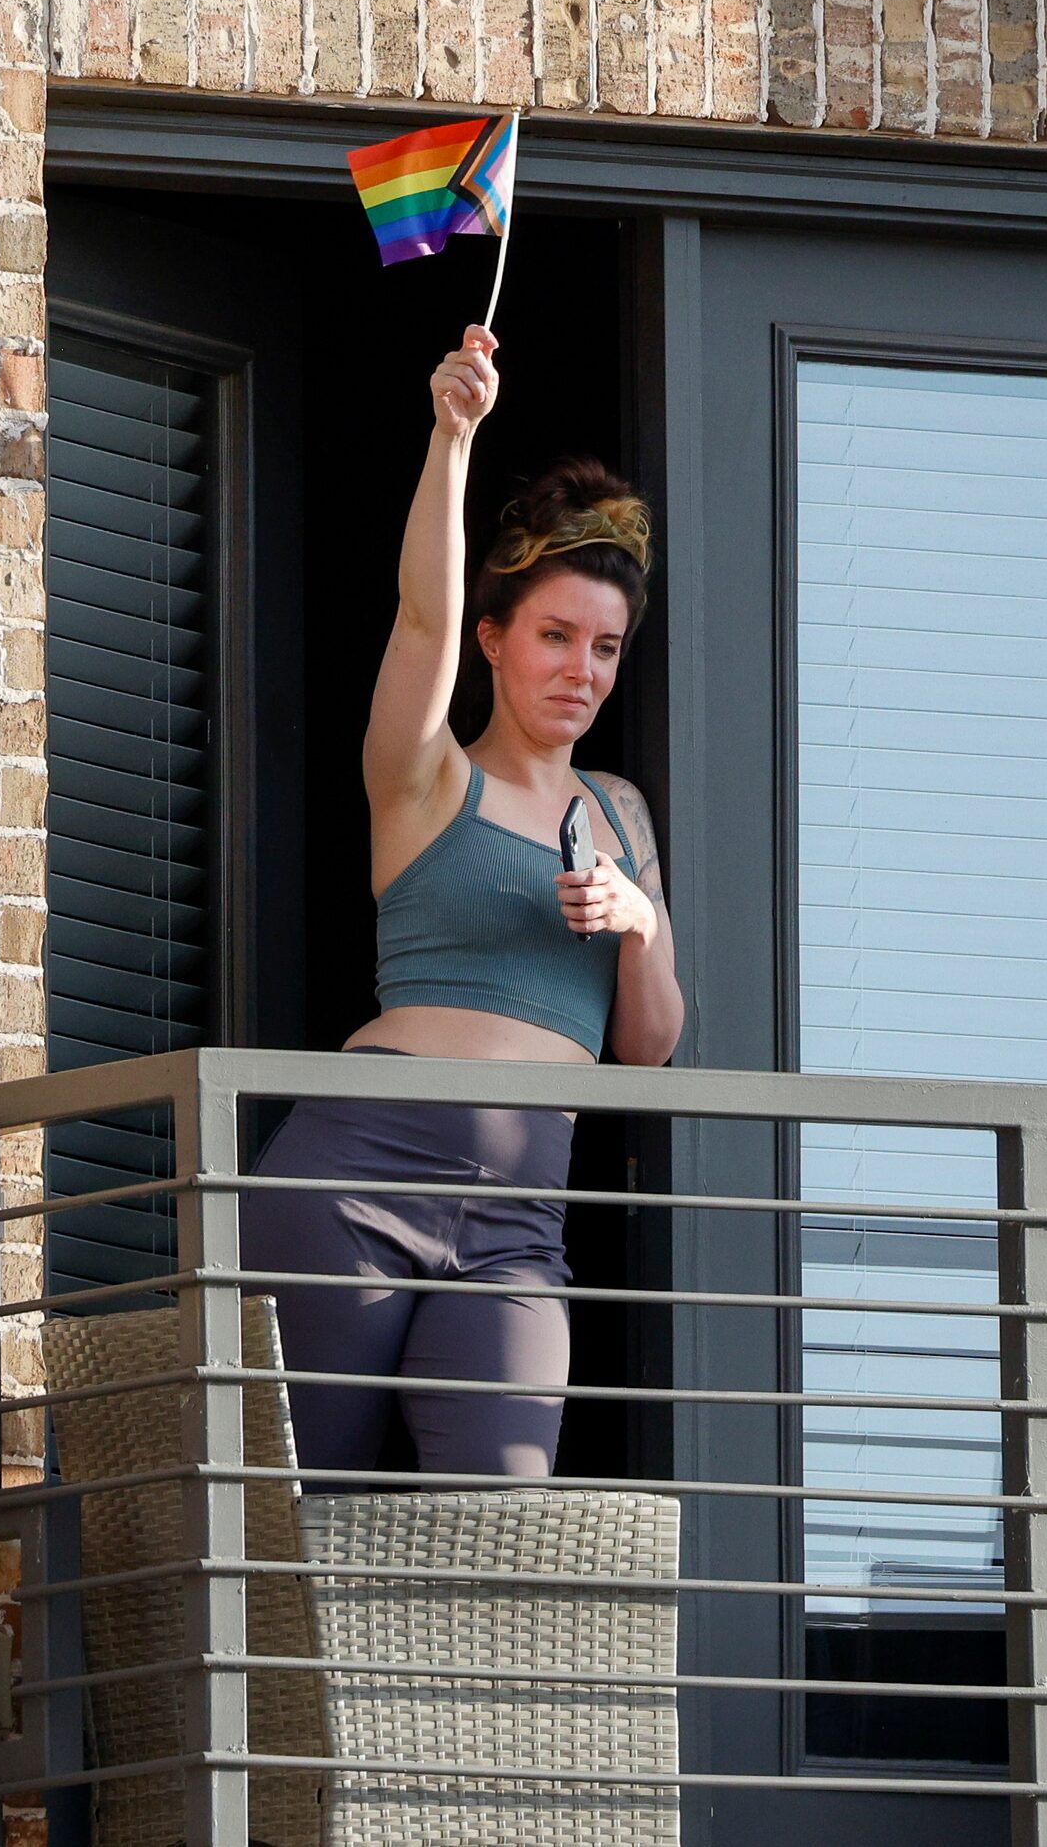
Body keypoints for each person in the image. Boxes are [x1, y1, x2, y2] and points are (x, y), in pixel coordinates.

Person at [241, 323, 683, 1483]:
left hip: (524, 1216)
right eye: (553, 636)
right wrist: (453, 439)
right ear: (497, 640)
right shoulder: (432, 777)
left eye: (606, 646)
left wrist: (639, 923)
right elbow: (421, 619)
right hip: (359, 1176)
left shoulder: (624, 815)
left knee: (503, 1503)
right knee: (305, 1506)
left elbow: (649, 1047)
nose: (580, 668)